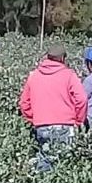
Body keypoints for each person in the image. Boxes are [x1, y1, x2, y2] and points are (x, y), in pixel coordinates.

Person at [19, 44, 87, 172]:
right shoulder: (69, 75)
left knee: (45, 162)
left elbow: (24, 103)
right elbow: (82, 99)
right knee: (65, 165)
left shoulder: (34, 75)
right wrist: (79, 120)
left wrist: (33, 119)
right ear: (62, 58)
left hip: (42, 125)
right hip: (65, 125)